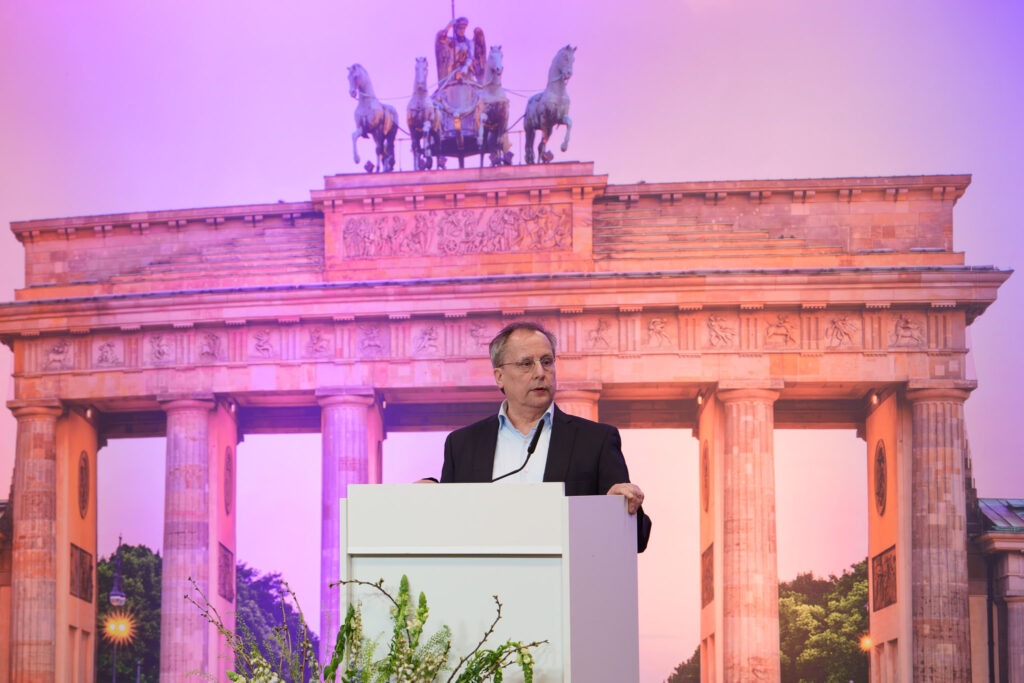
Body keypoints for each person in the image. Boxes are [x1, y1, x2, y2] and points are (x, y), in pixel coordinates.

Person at [436, 321, 652, 552]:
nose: (540, 373)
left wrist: (625, 509)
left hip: (568, 574)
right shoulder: (462, 445)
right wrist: (425, 496)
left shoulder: (596, 441)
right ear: (499, 377)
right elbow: (445, 530)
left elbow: (636, 539)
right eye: (526, 364)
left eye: (547, 362)